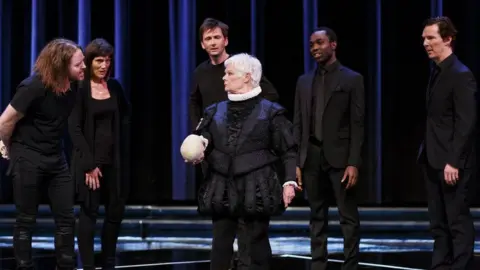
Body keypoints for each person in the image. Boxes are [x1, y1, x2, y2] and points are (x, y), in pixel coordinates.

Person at [183, 53, 298, 270]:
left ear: (247, 77)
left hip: (257, 185)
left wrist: (289, 181)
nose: (223, 78)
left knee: (256, 246)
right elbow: (205, 137)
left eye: (229, 73)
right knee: (220, 246)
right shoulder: (214, 110)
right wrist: (200, 147)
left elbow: (288, 149)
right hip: (221, 185)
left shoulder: (271, 112)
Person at [0, 38, 85, 270]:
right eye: (79, 64)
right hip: (28, 155)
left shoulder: (73, 86)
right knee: (26, 219)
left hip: (55, 157)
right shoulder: (33, 86)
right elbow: (5, 120)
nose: (84, 67)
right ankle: (24, 265)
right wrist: (7, 146)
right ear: (61, 65)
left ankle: (66, 264)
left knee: (66, 217)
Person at [293, 27, 365, 270]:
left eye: (320, 43)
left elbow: (358, 124)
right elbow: (299, 124)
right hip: (312, 156)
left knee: (347, 216)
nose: (314, 48)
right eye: (312, 44)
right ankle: (318, 264)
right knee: (316, 215)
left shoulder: (352, 79)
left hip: (341, 158)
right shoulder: (303, 82)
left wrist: (353, 162)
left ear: (333, 45)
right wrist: (298, 162)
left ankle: (350, 264)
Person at [418, 16, 476, 270]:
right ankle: (440, 265)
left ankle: (460, 266)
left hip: (452, 162)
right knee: (438, 222)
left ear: (448, 39)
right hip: (432, 158)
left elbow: (466, 123)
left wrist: (454, 160)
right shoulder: (437, 72)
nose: (425, 43)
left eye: (431, 38)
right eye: (424, 38)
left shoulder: (461, 74)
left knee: (456, 220)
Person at [68, 38, 131, 270]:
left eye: (107, 61)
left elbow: (125, 115)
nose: (104, 65)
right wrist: (89, 164)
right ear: (89, 61)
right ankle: (88, 265)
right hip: (89, 163)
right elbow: (74, 128)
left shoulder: (114, 87)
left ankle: (109, 262)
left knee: (115, 211)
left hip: (114, 162)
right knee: (89, 212)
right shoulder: (81, 89)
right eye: (99, 61)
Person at [189, 17, 279, 131]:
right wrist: (198, 129)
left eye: (217, 37)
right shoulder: (200, 72)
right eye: (208, 38)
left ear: (225, 41)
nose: (213, 43)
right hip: (213, 135)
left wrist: (252, 120)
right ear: (202, 44)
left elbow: (271, 95)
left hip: (240, 134)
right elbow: (194, 103)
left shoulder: (241, 65)